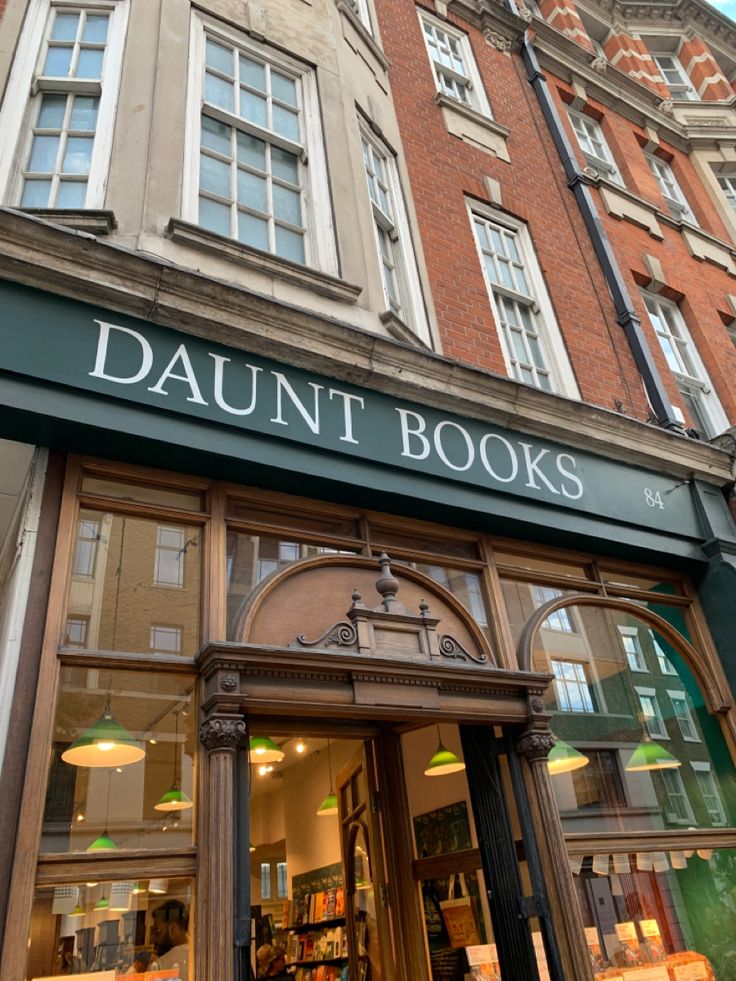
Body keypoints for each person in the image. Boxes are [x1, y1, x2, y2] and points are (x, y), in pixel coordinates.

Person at [150, 898, 190, 980]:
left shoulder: (161, 964)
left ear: (173, 929)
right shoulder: (202, 956)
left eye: (158, 931)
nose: (155, 939)